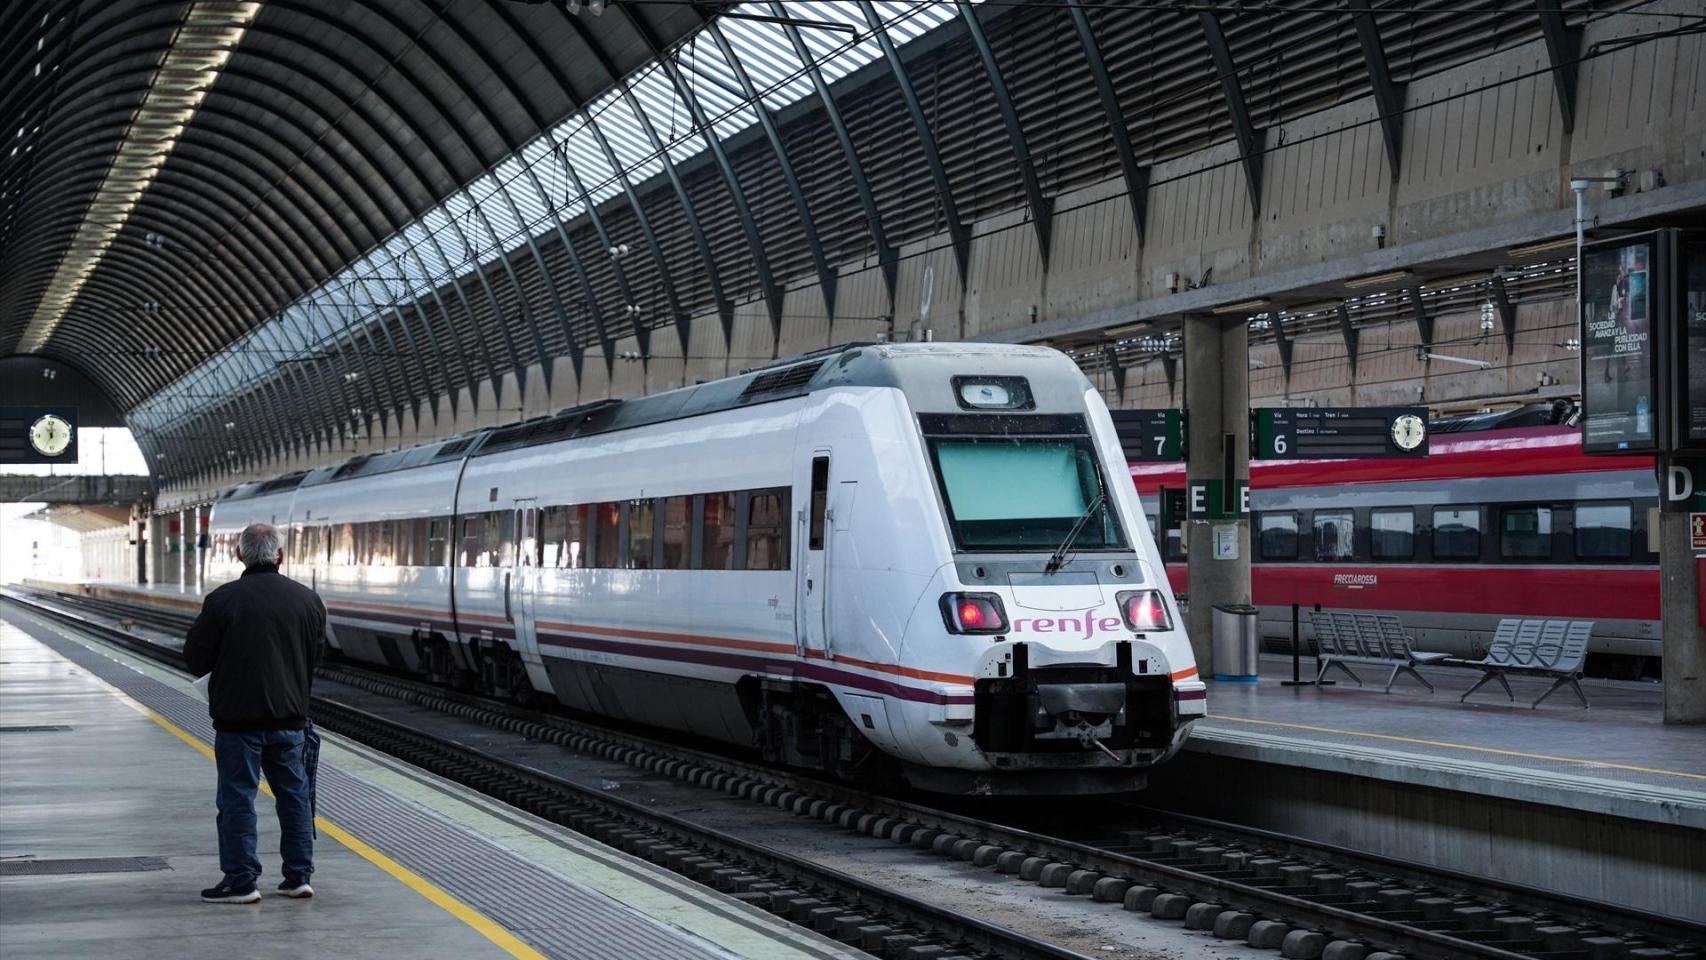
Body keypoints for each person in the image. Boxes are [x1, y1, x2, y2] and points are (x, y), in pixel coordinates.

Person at [183, 522, 325, 904]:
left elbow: (195, 658)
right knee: (294, 796)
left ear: (239, 554)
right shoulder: (308, 600)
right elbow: (318, 657)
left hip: (239, 722)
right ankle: (298, 877)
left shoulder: (223, 600)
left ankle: (242, 880)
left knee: (237, 799)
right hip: (291, 720)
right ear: (280, 555)